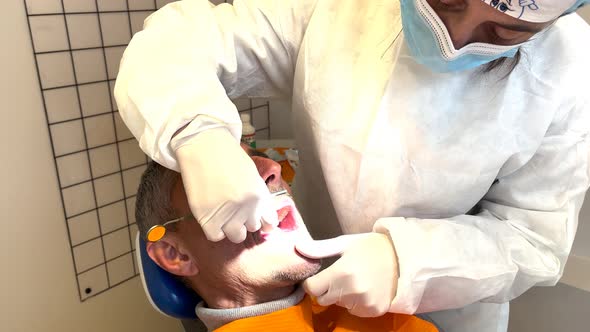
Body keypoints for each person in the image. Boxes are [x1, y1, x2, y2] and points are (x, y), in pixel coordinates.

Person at [114, 1, 590, 331]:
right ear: (173, 254)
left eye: (505, 31)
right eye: (446, 1)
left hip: (449, 312)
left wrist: (411, 264)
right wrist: (197, 135)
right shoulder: (335, 7)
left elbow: (533, 238)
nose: (456, 41)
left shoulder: (571, 68)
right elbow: (181, 40)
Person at [135, 146, 440, 332]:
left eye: (258, 160)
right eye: (222, 187)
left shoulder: (383, 319)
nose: (271, 169)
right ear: (176, 255)